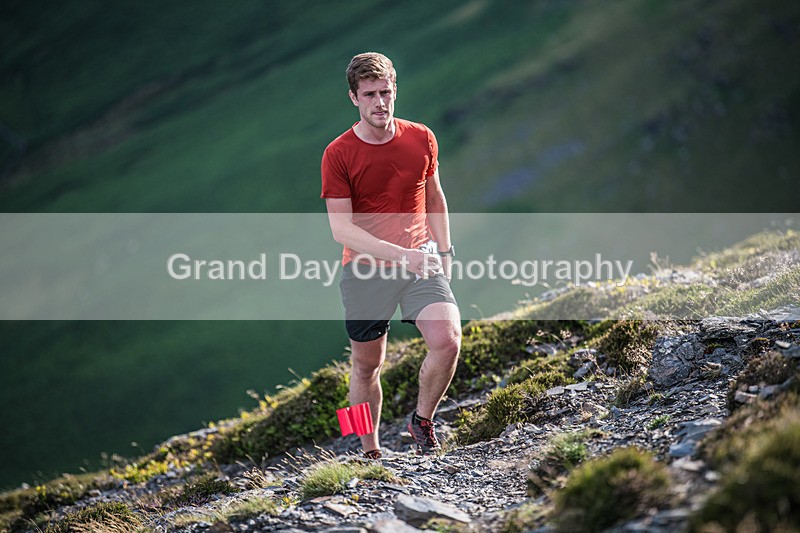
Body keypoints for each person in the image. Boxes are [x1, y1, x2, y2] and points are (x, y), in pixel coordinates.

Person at [321, 52, 461, 458]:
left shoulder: (422, 137)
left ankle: (422, 421)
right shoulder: (337, 153)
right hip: (365, 271)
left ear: (395, 90)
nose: (379, 103)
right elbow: (341, 229)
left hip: (420, 261)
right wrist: (402, 256)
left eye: (385, 92)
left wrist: (446, 251)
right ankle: (367, 450)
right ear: (354, 98)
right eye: (369, 95)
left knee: (448, 341)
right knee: (366, 365)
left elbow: (434, 197)